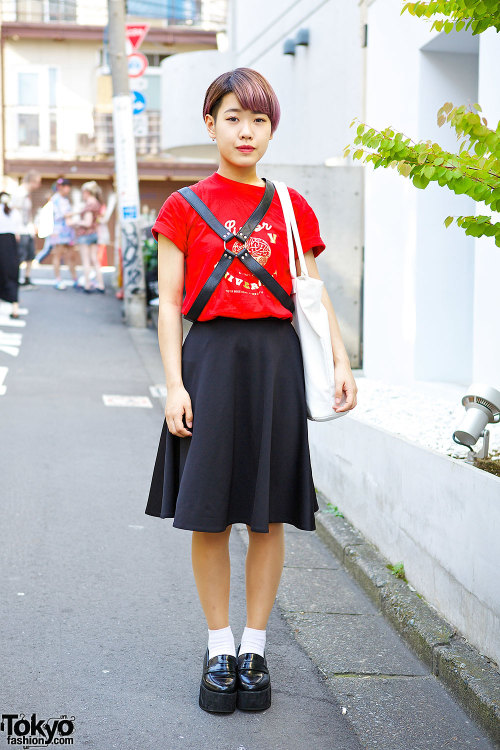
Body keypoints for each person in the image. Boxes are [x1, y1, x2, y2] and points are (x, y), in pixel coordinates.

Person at [145, 68, 358, 714]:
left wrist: (341, 363)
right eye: (234, 117)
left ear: (271, 129)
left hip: (275, 364)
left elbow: (313, 295)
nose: (246, 131)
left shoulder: (292, 207)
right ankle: (218, 648)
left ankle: (254, 650)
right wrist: (174, 385)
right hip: (208, 361)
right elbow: (170, 304)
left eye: (259, 120)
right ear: (210, 123)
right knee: (208, 511)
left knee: (266, 517)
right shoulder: (182, 207)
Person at [74, 181, 105, 293]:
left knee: (86, 261)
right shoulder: (97, 203)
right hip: (94, 234)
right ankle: (101, 285)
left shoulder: (89, 204)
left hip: (85, 235)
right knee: (95, 260)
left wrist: (77, 222)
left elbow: (87, 223)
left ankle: (87, 285)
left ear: (87, 192)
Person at [12, 170, 41, 286]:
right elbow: (14, 212)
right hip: (20, 229)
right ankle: (16, 278)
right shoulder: (19, 193)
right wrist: (15, 230)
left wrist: (32, 226)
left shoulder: (27, 195)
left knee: (30, 255)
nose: (39, 186)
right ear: (32, 181)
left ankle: (27, 278)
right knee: (20, 256)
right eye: (38, 182)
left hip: (28, 229)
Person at [50, 178, 78, 291]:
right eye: (67, 186)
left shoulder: (65, 199)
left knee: (71, 255)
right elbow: (61, 215)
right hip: (59, 231)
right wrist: (78, 212)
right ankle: (58, 279)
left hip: (68, 230)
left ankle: (74, 278)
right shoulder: (55, 199)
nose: (68, 189)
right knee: (58, 255)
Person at [0, 192, 22, 319]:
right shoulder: (14, 213)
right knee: (12, 276)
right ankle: (15, 308)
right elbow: (17, 235)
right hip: (11, 244)